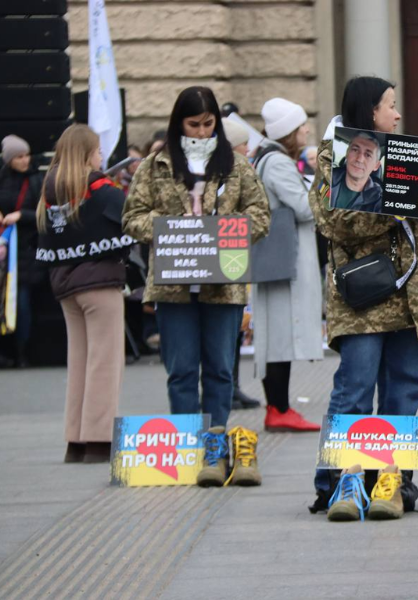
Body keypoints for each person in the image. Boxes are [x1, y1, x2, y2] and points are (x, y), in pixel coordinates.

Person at [308, 76, 418, 520]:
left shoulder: (408, 152)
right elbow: (335, 222)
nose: (398, 113)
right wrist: (394, 202)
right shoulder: (335, 152)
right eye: (390, 105)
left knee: (405, 389)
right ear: (370, 111)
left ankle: (393, 480)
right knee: (355, 387)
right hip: (363, 298)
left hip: (411, 296)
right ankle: (343, 482)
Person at [123, 86, 271, 485]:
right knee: (182, 369)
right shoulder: (154, 165)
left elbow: (260, 212)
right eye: (194, 124)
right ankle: (188, 446)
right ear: (179, 124)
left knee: (221, 369)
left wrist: (232, 231)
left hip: (224, 282)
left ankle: (216, 449)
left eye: (209, 124)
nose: (203, 132)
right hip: (173, 283)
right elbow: (131, 216)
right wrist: (166, 228)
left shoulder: (236, 166)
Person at [35, 124, 127, 463]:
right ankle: (100, 440)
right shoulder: (102, 189)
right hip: (100, 282)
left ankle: (75, 441)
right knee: (105, 362)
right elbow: (129, 220)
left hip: (65, 284)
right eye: (99, 150)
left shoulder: (50, 190)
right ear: (88, 153)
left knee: (80, 361)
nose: (102, 155)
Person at [252, 97, 322, 432]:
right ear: (289, 133)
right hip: (286, 261)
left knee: (280, 333)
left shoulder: (268, 158)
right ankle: (278, 408)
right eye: (302, 126)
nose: (307, 130)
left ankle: (279, 406)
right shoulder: (278, 163)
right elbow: (305, 208)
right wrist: (322, 186)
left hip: (279, 259)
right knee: (281, 335)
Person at [0, 135, 44, 367]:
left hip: (26, 250)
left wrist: (21, 216)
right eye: (19, 156)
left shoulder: (38, 180)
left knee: (22, 303)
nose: (24, 160)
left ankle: (21, 352)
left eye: (26, 155)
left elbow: (45, 212)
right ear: (9, 159)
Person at [221, 116, 262, 411]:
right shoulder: (223, 176)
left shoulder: (243, 173)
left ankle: (233, 386)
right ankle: (224, 387)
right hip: (223, 259)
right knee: (224, 331)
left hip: (237, 256)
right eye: (243, 144)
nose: (248, 149)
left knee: (236, 327)